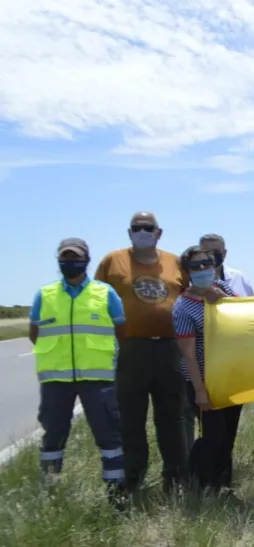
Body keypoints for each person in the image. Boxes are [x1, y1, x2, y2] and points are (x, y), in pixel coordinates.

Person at [94, 211, 188, 493]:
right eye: (137, 228)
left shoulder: (175, 262)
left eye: (149, 228)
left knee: (172, 417)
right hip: (130, 349)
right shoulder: (112, 261)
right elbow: (96, 301)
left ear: (159, 233)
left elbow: (190, 297)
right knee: (130, 417)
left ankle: (175, 478)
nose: (143, 231)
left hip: (170, 347)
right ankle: (133, 477)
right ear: (129, 232)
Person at [30, 238, 128, 506]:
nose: (69, 262)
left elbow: (121, 333)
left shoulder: (105, 293)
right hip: (56, 380)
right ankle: (49, 497)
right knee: (52, 438)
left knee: (108, 436)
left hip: (98, 380)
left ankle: (116, 495)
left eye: (74, 258)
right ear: (59, 261)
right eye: (64, 258)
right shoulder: (45, 295)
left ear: (86, 261)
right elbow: (34, 333)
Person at [172, 246, 240, 491]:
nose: (202, 270)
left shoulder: (226, 290)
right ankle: (201, 484)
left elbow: (244, 317)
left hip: (230, 377)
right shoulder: (182, 306)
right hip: (203, 380)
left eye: (206, 264)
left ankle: (224, 485)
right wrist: (200, 390)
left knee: (228, 435)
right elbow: (188, 354)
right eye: (195, 266)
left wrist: (221, 299)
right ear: (187, 271)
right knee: (213, 434)